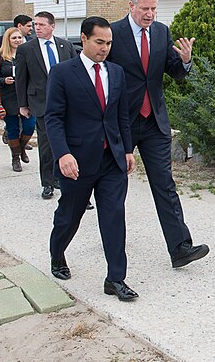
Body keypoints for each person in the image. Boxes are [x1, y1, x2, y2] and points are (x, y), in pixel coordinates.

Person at [107, 0, 209, 268]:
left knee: (164, 185)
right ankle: (111, 243)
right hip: (121, 123)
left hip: (154, 122)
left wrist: (185, 60)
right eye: (144, 9)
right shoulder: (113, 34)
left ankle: (180, 248)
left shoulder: (162, 32)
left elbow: (174, 72)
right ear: (131, 6)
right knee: (114, 189)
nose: (149, 14)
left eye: (153, 9)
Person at [45, 16, 138, 301]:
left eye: (109, 43)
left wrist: (127, 149)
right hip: (77, 161)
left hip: (112, 159)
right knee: (69, 216)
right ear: (83, 39)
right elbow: (53, 117)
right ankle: (57, 252)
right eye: (99, 42)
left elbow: (121, 115)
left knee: (113, 217)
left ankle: (115, 278)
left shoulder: (117, 73)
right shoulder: (63, 73)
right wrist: (63, 154)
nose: (105, 48)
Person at [16, 11, 77, 199]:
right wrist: (23, 104)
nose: (37, 28)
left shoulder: (65, 46)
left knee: (70, 142)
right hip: (41, 103)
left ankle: (65, 178)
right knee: (46, 144)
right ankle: (47, 183)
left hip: (66, 102)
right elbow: (21, 78)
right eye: (36, 25)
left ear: (52, 26)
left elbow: (76, 73)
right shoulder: (27, 49)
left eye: (42, 25)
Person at [0, 27, 36, 172]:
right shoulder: (0, 57)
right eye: (14, 38)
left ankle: (21, 148)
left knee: (29, 126)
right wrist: (3, 81)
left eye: (19, 38)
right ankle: (15, 157)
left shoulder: (29, 54)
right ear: (8, 40)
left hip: (26, 96)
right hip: (9, 96)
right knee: (12, 128)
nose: (17, 40)